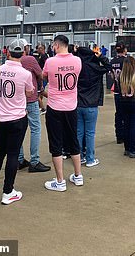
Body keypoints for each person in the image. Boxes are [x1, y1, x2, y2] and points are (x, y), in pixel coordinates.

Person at [0, 39, 34, 205]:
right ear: (24, 53)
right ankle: (8, 191)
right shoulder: (25, 74)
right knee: (13, 154)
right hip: (17, 117)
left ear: (8, 52)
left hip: (1, 117)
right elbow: (29, 93)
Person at [43, 35, 82, 191]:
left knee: (56, 144)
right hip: (71, 107)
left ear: (57, 45)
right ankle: (78, 176)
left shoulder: (50, 62)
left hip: (54, 107)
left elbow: (44, 75)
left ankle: (60, 181)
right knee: (73, 141)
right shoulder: (77, 61)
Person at [17, 41, 51, 173]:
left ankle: (19, 159)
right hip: (30, 99)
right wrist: (40, 88)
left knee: (19, 130)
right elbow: (40, 74)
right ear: (25, 48)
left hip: (17, 100)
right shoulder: (30, 59)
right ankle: (34, 161)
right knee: (35, 129)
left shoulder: (12, 62)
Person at [76, 47, 111, 166]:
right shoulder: (95, 68)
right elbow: (108, 67)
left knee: (79, 131)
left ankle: (79, 156)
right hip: (91, 104)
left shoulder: (77, 67)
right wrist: (100, 56)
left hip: (78, 103)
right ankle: (90, 158)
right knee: (90, 132)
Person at [117, 56, 135, 158]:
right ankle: (133, 149)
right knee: (134, 126)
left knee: (126, 125)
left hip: (123, 102)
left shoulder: (121, 77)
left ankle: (127, 148)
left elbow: (117, 90)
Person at [110, 42, 127, 144]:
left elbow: (112, 76)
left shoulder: (112, 61)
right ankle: (126, 135)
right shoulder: (126, 61)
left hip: (117, 90)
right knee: (126, 114)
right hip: (125, 91)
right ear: (124, 50)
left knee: (119, 114)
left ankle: (119, 136)